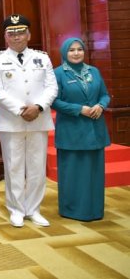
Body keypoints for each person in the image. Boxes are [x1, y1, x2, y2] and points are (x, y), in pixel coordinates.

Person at [0, 14, 58, 228]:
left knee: (36, 166)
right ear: (6, 37)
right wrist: (21, 110)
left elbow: (52, 87)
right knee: (14, 166)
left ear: (28, 34)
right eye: (12, 33)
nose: (16, 37)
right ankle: (16, 209)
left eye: (20, 32)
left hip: (39, 118)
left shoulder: (42, 58)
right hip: (11, 122)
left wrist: (38, 107)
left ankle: (33, 209)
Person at [52, 37, 110, 221]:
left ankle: (94, 210)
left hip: (94, 129)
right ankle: (72, 210)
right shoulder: (58, 73)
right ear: (64, 53)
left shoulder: (94, 71)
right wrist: (79, 109)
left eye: (79, 49)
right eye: (71, 50)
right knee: (72, 173)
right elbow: (54, 101)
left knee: (94, 172)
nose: (76, 53)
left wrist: (101, 106)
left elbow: (105, 95)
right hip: (71, 131)